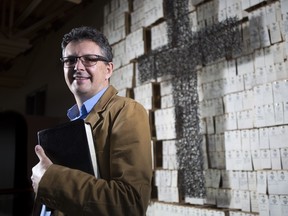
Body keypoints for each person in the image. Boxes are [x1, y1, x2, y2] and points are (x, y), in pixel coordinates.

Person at [31, 26, 153, 216]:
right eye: (70, 60)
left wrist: (49, 178)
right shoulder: (73, 122)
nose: (78, 67)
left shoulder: (127, 111)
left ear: (108, 69)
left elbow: (130, 204)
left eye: (90, 59)